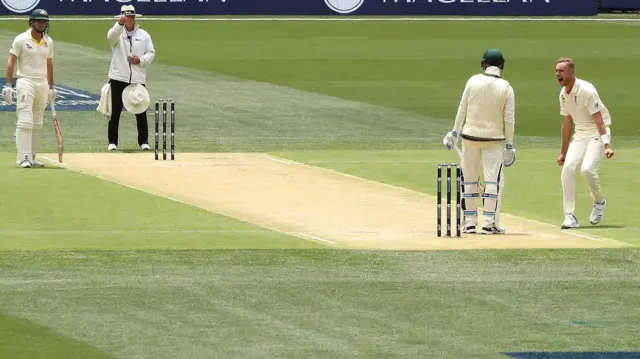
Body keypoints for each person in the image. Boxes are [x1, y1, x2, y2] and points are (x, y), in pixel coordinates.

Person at [442, 49, 516, 235]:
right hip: (494, 140)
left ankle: (470, 222)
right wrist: (509, 144)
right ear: (502, 65)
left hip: (470, 137)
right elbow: (509, 120)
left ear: (483, 64)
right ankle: (488, 223)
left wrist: (454, 133)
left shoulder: (472, 81)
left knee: (469, 180)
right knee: (492, 181)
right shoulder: (506, 87)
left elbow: (462, 109)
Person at [555, 58, 614, 229]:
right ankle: (569, 215)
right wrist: (563, 153)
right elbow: (567, 124)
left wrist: (607, 145)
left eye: (562, 71)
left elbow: (599, 120)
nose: (558, 74)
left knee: (587, 169)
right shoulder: (563, 95)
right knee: (567, 169)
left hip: (597, 132)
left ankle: (599, 201)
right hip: (580, 135)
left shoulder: (586, 91)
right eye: (557, 71)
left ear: (571, 72)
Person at [2, 8, 56, 168]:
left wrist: (52, 87)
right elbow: (11, 62)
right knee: (25, 120)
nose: (42, 24)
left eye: (44, 21)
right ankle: (23, 157)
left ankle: (32, 156)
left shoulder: (49, 41)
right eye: (39, 21)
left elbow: (49, 64)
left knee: (38, 121)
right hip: (26, 81)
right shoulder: (21, 39)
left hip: (42, 83)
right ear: (32, 21)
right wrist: (8, 85)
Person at [106, 5, 155, 151]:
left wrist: (140, 60)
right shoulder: (117, 33)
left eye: (132, 17)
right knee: (114, 111)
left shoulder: (144, 35)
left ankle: (144, 142)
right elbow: (110, 37)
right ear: (122, 17)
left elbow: (151, 53)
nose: (130, 19)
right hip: (118, 77)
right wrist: (119, 24)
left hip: (137, 79)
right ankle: (112, 142)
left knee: (141, 110)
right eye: (127, 17)